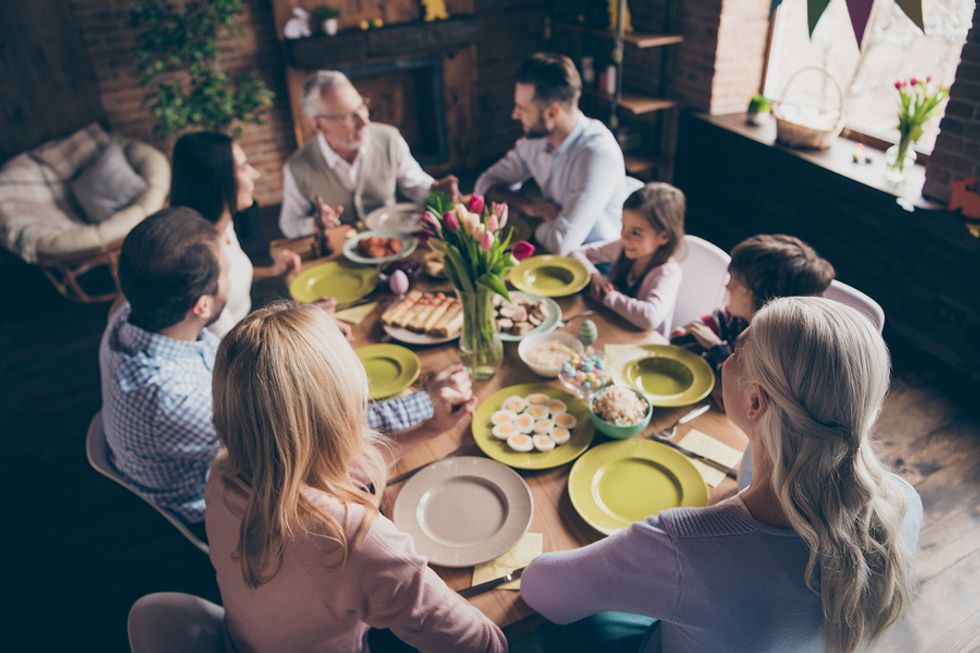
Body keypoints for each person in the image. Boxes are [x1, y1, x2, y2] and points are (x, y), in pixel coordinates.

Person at [521, 297, 922, 653]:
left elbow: (541, 590)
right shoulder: (903, 504)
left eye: (733, 352)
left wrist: (639, 550)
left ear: (754, 402)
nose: (726, 358)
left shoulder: (686, 546)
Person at [99, 208, 473, 538]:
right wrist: (426, 404)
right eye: (226, 271)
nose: (232, 275)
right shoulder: (175, 401)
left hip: (212, 456)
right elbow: (314, 431)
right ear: (201, 305)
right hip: (236, 510)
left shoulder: (128, 314)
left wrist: (293, 326)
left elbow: (220, 354)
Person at [206, 302, 508, 653]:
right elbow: (482, 646)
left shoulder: (224, 471)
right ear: (343, 412)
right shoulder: (351, 539)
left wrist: (427, 430)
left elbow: (322, 471)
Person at [475, 52, 637, 255]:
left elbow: (562, 243)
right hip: (552, 249)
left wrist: (527, 219)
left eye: (522, 108)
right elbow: (485, 183)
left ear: (552, 113)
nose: (514, 115)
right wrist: (526, 206)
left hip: (597, 262)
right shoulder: (535, 139)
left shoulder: (597, 154)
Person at [279, 70, 459, 238]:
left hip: (393, 240)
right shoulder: (297, 167)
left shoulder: (389, 139)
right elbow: (289, 224)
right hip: (340, 253)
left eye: (361, 106)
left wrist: (435, 192)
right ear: (318, 125)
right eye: (348, 116)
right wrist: (315, 224)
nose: (364, 121)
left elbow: (414, 184)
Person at [170, 131, 302, 338]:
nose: (255, 174)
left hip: (250, 323)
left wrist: (273, 271)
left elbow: (233, 278)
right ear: (217, 181)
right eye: (242, 168)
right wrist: (303, 320)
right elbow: (234, 344)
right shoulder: (200, 262)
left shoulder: (222, 221)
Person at [671, 233, 835, 376]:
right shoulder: (735, 318)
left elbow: (748, 390)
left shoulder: (783, 353)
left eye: (735, 282)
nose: (727, 286)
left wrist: (717, 349)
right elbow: (679, 341)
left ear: (762, 298)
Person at [570, 182, 684, 333]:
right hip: (615, 324)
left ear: (664, 236)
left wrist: (608, 297)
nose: (624, 236)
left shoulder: (668, 273)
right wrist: (594, 275)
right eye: (623, 225)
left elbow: (649, 318)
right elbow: (576, 253)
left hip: (644, 344)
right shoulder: (624, 246)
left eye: (636, 232)